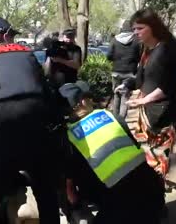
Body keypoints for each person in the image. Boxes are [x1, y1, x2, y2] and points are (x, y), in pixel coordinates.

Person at [0, 17, 60, 224]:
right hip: (37, 134)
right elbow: (46, 93)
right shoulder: (29, 56)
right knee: (46, 191)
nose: (14, 39)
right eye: (11, 35)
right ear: (4, 36)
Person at [59, 81, 165, 224]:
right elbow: (137, 151)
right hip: (152, 191)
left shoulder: (68, 137)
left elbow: (69, 189)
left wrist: (76, 208)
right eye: (87, 97)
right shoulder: (111, 116)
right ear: (82, 102)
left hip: (117, 205)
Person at [116, 8, 176, 177]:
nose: (136, 32)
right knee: (147, 156)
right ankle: (152, 193)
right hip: (147, 112)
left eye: (140, 28)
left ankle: (158, 198)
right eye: (134, 29)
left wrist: (142, 101)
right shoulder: (147, 49)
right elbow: (144, 78)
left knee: (159, 158)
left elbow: (167, 86)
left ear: (153, 27)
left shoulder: (168, 49)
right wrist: (128, 84)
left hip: (163, 113)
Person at [107, 19, 141, 118]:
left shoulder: (114, 40)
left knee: (116, 95)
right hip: (130, 73)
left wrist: (116, 59)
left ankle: (115, 119)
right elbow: (140, 56)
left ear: (122, 28)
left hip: (116, 72)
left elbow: (109, 56)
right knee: (125, 97)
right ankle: (122, 121)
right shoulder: (136, 41)